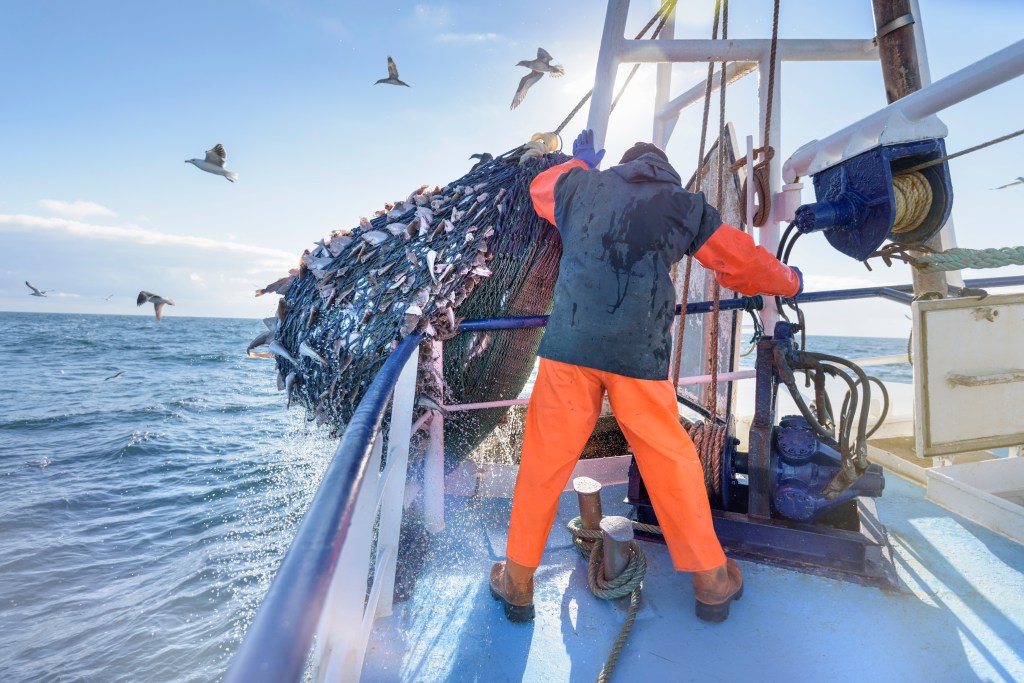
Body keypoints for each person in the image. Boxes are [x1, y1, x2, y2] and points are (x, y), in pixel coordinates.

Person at [489, 129, 803, 624]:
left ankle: (519, 582)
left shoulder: (580, 187)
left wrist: (580, 165)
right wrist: (790, 280)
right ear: (666, 174)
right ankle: (711, 581)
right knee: (670, 461)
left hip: (570, 349)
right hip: (639, 356)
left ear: (622, 168)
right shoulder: (682, 204)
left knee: (544, 463)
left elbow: (539, 188)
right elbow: (739, 262)